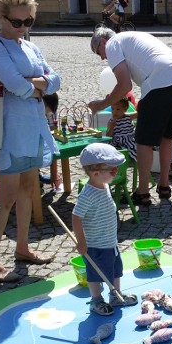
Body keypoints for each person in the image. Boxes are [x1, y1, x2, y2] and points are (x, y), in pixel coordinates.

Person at [0, 0, 60, 282]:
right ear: (0, 18)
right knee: (7, 197)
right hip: (9, 130)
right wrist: (37, 85)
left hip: (33, 126)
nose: (23, 28)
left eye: (28, 22)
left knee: (29, 189)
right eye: (17, 22)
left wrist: (34, 84)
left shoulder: (30, 45)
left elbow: (56, 82)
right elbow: (18, 86)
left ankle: (23, 248)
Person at [87, 28, 172, 207]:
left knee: (143, 141)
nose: (103, 59)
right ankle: (164, 186)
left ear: (103, 42)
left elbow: (124, 84)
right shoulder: (133, 36)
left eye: (99, 53)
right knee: (167, 136)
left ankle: (142, 192)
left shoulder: (113, 43)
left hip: (159, 81)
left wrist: (101, 105)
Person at [72, 143, 138, 316]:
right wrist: (81, 242)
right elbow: (76, 217)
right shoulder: (88, 194)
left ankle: (115, 295)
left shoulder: (104, 185)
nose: (116, 172)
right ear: (95, 173)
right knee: (95, 273)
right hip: (95, 244)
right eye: (112, 170)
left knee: (116, 269)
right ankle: (96, 300)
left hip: (110, 241)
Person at [42, 92, 63, 193]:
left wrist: (54, 174)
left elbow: (51, 138)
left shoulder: (48, 115)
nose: (46, 117)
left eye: (48, 115)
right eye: (45, 114)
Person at [106, 96, 138, 161]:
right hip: (117, 141)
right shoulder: (111, 121)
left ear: (125, 109)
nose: (114, 112)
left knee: (136, 147)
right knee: (109, 150)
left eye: (118, 109)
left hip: (129, 139)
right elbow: (108, 135)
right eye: (113, 109)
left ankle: (133, 159)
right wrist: (111, 127)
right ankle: (119, 161)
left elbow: (139, 114)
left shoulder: (128, 117)